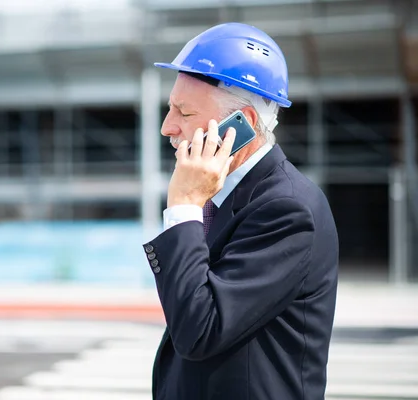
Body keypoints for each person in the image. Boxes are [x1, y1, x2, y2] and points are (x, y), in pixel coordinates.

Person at [142, 22, 338, 400]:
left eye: (183, 113)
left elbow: (200, 330)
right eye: (170, 109)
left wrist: (184, 207)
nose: (168, 127)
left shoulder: (287, 209)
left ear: (241, 125)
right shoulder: (223, 194)